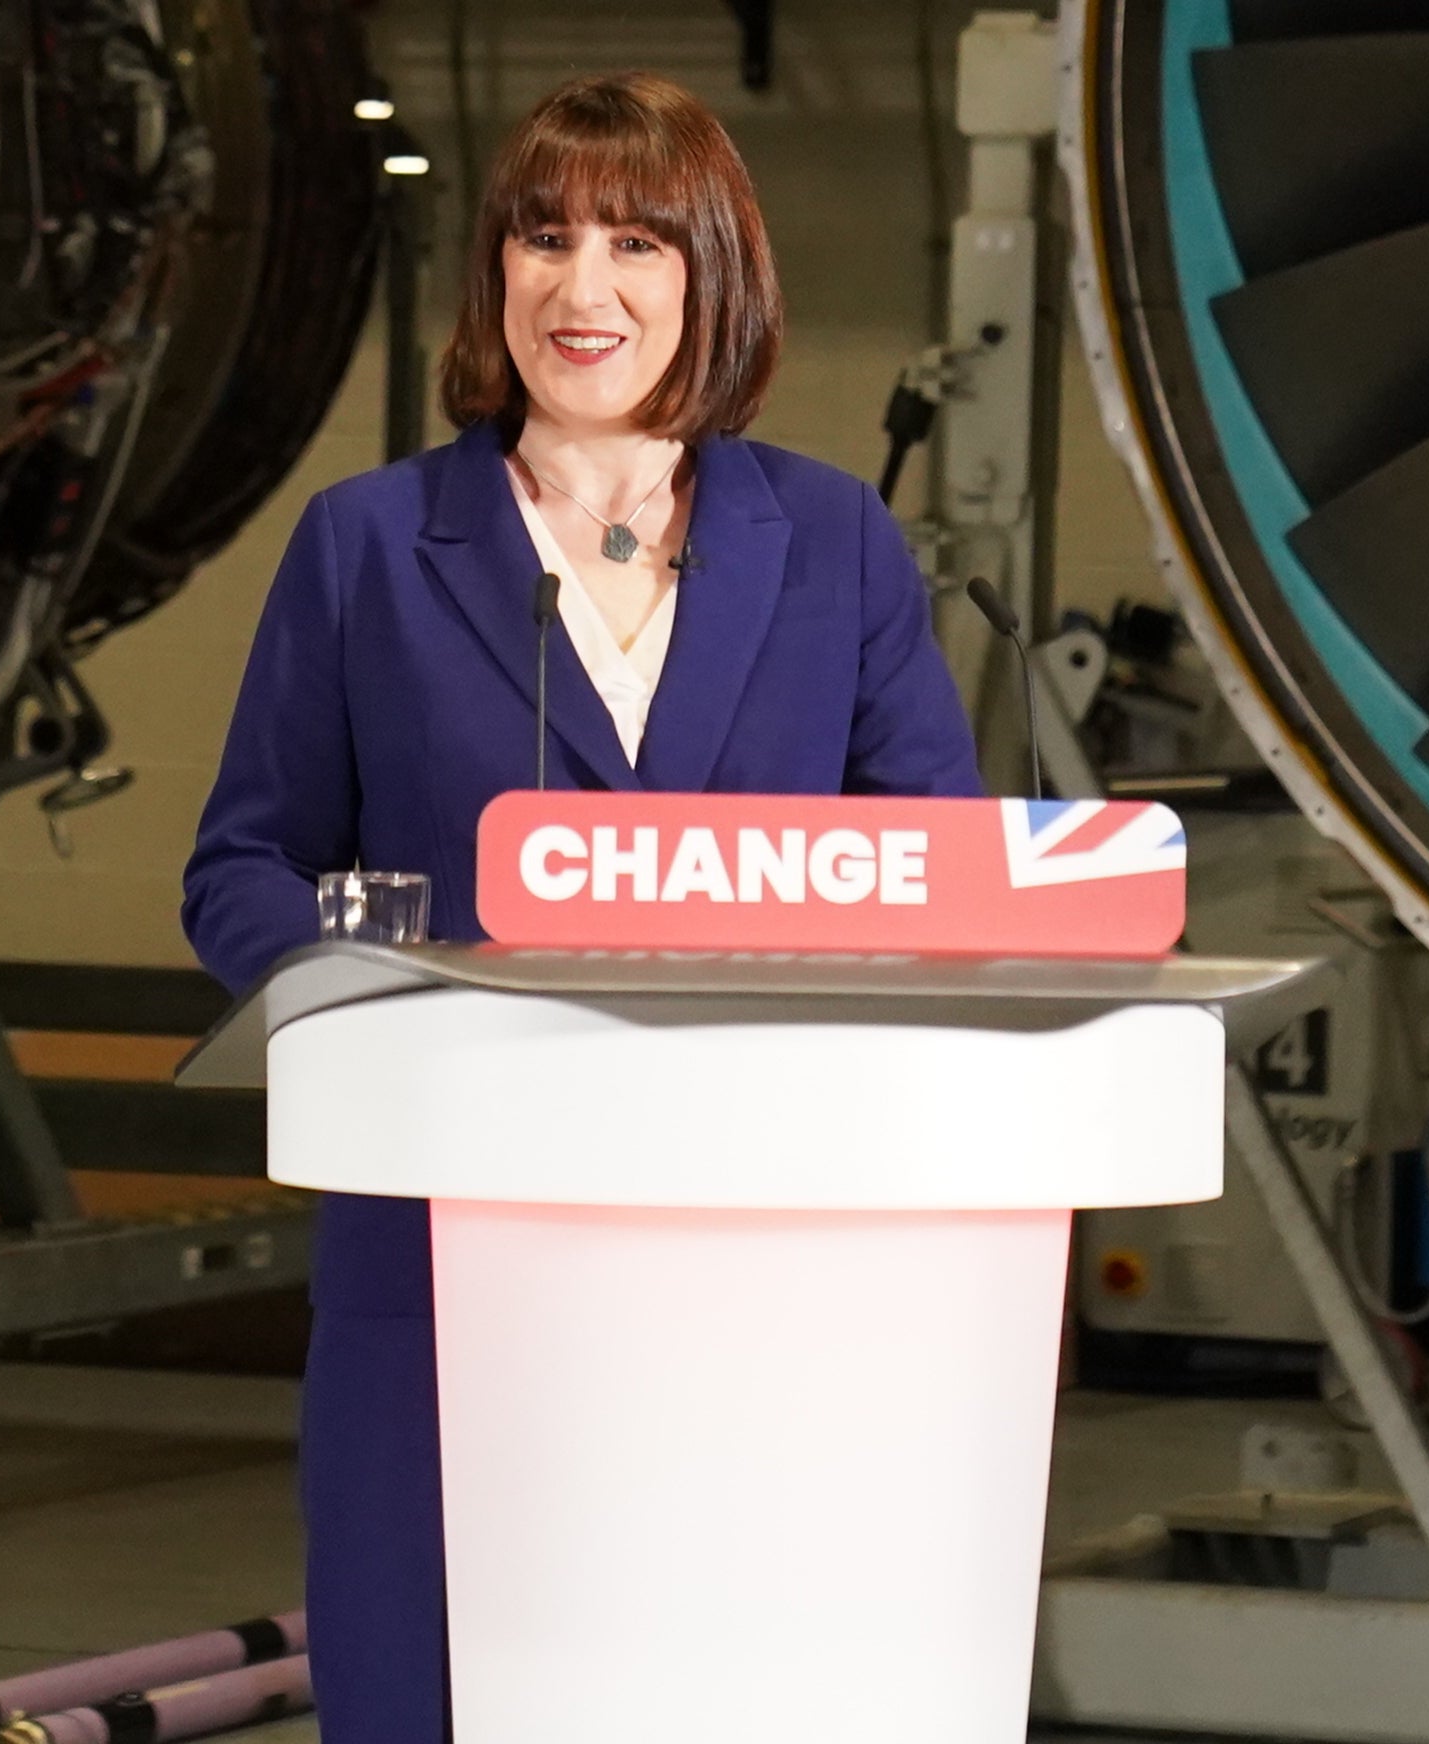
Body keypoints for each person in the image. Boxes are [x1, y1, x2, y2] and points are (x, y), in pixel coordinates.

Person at [182, 69, 982, 1744]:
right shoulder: (366, 544)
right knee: (429, 1692)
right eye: (541, 237)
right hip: (437, 1256)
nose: (580, 285)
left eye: (634, 240)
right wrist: (364, 996)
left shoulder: (834, 545)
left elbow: (941, 871)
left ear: (715, 276)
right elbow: (237, 866)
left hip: (756, 1261)